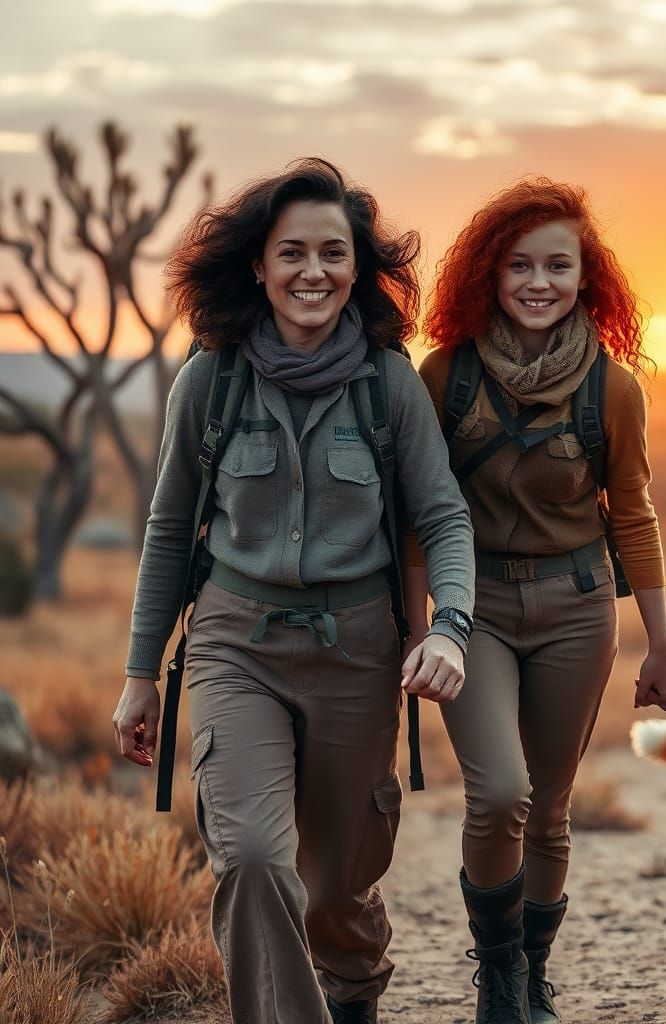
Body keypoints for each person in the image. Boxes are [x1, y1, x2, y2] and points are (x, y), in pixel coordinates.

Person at [111, 158, 475, 1024]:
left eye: (334, 253)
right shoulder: (211, 381)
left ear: (359, 268)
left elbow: (445, 517)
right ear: (259, 267)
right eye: (292, 253)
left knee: (336, 884)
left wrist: (450, 628)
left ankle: (354, 989)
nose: (314, 272)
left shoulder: (389, 386)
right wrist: (139, 675)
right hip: (236, 645)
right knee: (254, 862)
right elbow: (169, 532)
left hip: (357, 652)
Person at [405, 178, 666, 1024]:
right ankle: (495, 976)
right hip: (472, 608)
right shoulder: (444, 376)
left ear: (585, 277)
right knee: (499, 794)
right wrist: (409, 629)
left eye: (557, 265)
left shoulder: (613, 390)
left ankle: (530, 977)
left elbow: (631, 513)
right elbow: (416, 513)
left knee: (551, 811)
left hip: (578, 606)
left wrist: (661, 647)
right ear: (488, 274)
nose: (538, 281)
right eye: (519, 264)